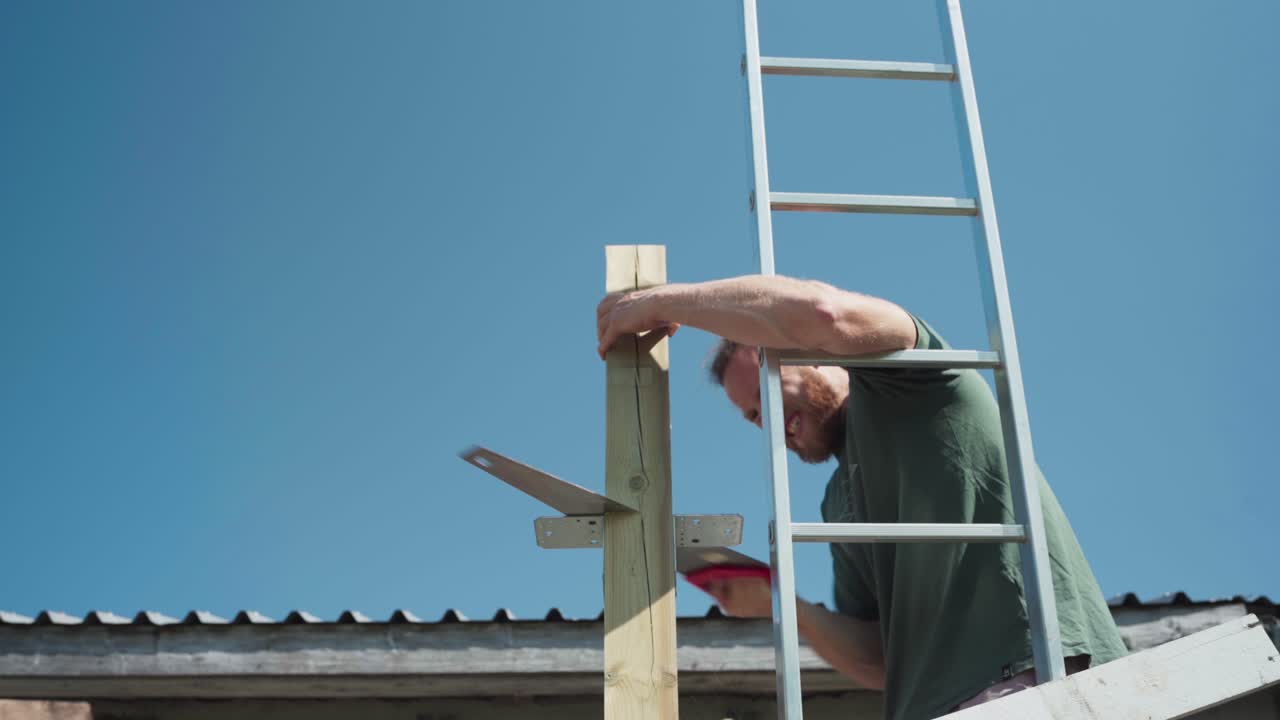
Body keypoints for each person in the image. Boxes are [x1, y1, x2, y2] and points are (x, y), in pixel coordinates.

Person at [596, 275, 1127, 720]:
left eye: (765, 393)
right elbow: (878, 658)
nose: (770, 425)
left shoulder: (915, 379)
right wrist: (784, 603)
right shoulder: (836, 504)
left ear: (800, 352)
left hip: (1033, 678)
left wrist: (658, 303)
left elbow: (823, 313)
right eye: (754, 417)